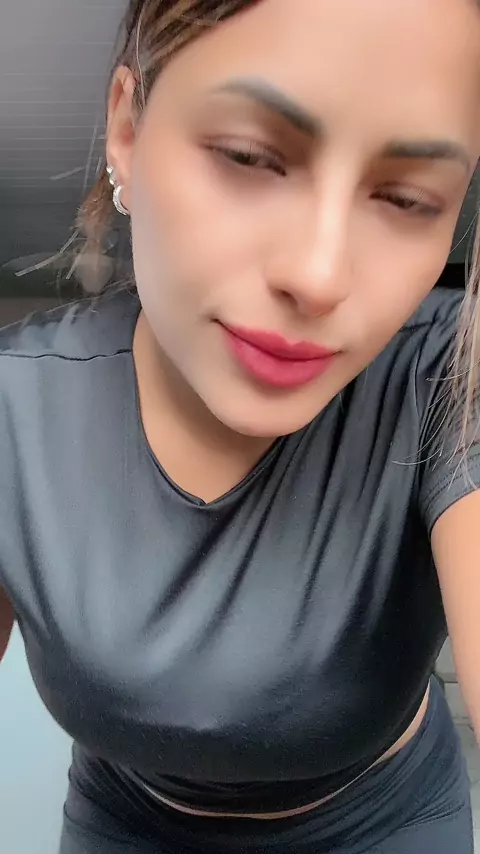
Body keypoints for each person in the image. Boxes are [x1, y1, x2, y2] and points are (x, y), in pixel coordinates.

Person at [2, 0, 480, 851]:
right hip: (124, 823)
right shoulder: (16, 407)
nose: (320, 275)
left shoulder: (446, 378)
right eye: (249, 157)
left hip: (387, 821)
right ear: (128, 128)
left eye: (408, 198)